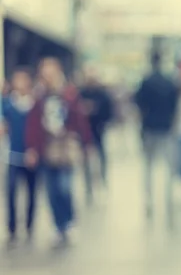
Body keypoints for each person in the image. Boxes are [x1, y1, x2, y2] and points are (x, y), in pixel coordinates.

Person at [25, 58, 93, 246]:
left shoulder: (69, 93)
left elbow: (80, 119)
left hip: (65, 147)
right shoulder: (39, 96)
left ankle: (69, 221)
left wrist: (87, 143)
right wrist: (31, 148)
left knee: (64, 187)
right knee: (51, 191)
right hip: (46, 147)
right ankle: (58, 225)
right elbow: (32, 124)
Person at [134, 49, 179, 218]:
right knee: (169, 166)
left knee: (148, 165)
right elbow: (175, 105)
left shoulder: (146, 82)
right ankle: (169, 197)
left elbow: (138, 103)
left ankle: (149, 199)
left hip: (149, 128)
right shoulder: (169, 82)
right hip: (166, 128)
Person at [2, 68, 38, 243]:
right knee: (11, 192)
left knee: (32, 192)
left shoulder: (34, 104)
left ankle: (30, 225)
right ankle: (12, 227)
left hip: (31, 155)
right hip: (13, 155)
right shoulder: (8, 104)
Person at [80, 67, 115, 201]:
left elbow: (108, 111)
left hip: (99, 129)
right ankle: (89, 187)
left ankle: (103, 180)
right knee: (86, 159)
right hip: (85, 131)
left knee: (102, 156)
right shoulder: (81, 93)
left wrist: (98, 114)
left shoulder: (102, 94)